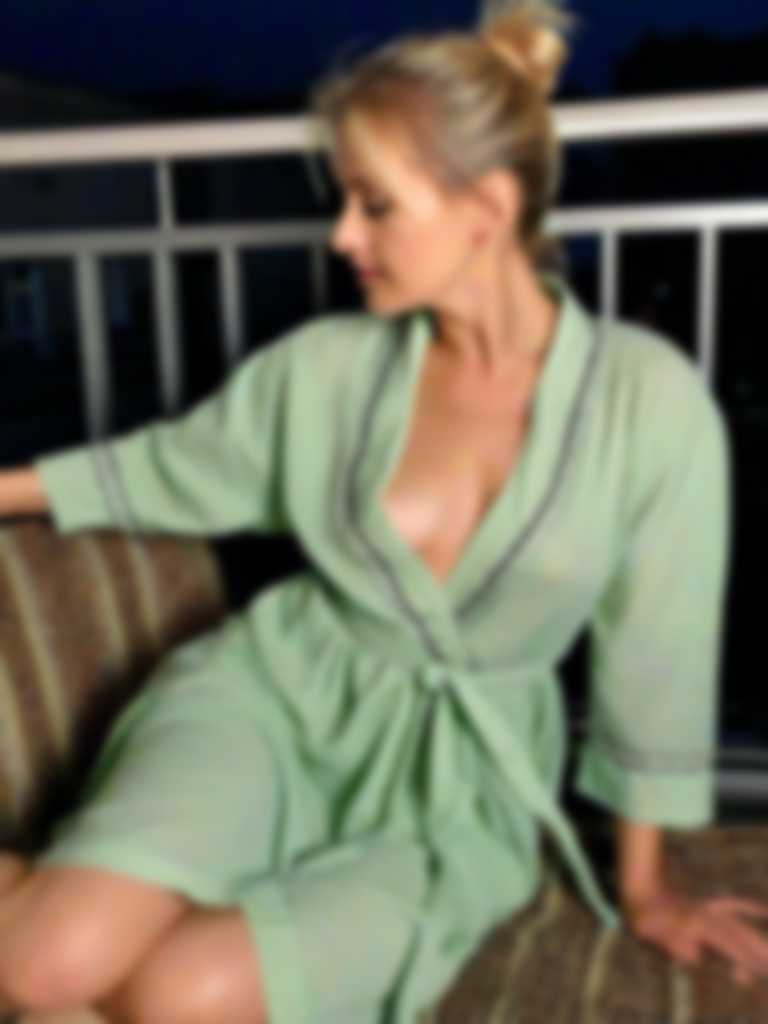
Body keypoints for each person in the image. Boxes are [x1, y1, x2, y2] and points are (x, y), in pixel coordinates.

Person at [2, 1, 768, 1021]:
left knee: (180, 994)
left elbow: (656, 656)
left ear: (487, 209)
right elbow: (169, 468)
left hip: (450, 795)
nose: (341, 235)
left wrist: (644, 887)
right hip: (271, 702)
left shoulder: (649, 404)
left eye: (375, 205)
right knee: (41, 970)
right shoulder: (326, 370)